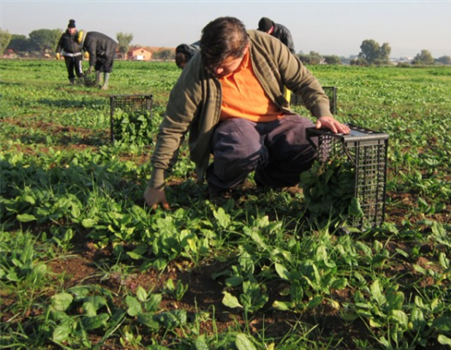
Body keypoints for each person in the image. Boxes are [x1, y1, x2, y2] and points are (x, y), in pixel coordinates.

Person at [144, 16, 349, 209]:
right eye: (211, 64)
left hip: (276, 118)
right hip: (233, 126)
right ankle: (222, 185)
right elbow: (173, 128)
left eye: (223, 67)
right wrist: (156, 183)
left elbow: (304, 82)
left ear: (245, 50)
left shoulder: (268, 46)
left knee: (312, 142)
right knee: (243, 148)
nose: (216, 72)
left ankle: (271, 179)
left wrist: (323, 113)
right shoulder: (197, 70)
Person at [55, 19, 83, 84]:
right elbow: (60, 44)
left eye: (72, 28)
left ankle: (81, 81)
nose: (70, 30)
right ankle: (72, 81)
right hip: (67, 54)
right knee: (69, 68)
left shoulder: (79, 35)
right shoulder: (64, 35)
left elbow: (84, 44)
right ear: (68, 28)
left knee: (79, 68)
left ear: (75, 28)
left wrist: (86, 51)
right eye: (69, 28)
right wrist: (57, 52)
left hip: (78, 54)